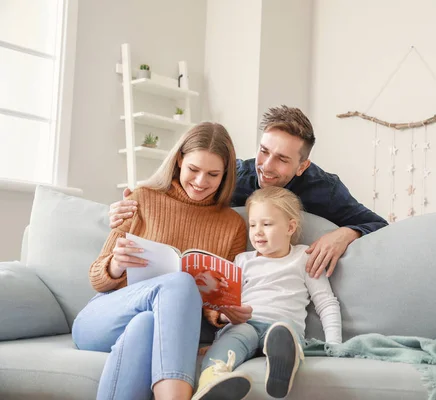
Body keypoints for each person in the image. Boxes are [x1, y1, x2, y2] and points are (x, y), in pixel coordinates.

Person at [72, 123, 251, 400]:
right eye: (194, 169)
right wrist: (116, 264)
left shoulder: (232, 225)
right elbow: (96, 277)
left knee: (145, 324)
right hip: (103, 319)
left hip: (152, 324)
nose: (201, 181)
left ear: (225, 174)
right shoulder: (142, 198)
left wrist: (223, 313)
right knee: (179, 282)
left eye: (213, 174)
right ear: (179, 160)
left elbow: (217, 298)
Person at [110, 106, 388, 279]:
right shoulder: (236, 174)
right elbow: (182, 188)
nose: (266, 167)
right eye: (264, 151)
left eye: (282, 159)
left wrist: (345, 233)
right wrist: (128, 206)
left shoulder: (325, 189)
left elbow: (380, 225)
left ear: (303, 166)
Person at [193, 186, 342, 400]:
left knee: (283, 333)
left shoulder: (304, 257)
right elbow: (226, 305)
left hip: (282, 326)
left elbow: (326, 303)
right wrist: (227, 315)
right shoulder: (242, 261)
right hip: (245, 323)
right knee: (233, 339)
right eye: (252, 225)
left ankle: (280, 370)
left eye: (267, 224)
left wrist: (334, 344)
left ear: (290, 227)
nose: (257, 232)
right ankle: (212, 382)